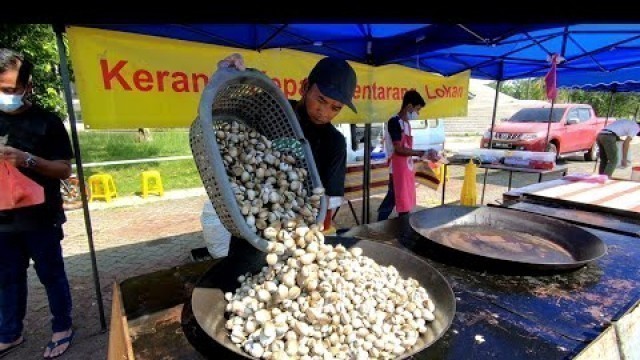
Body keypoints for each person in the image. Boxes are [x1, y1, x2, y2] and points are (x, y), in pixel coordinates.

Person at [219, 54, 357, 233]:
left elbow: (326, 209)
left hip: (297, 229)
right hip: (249, 220)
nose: (324, 112)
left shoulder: (334, 142)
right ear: (305, 86)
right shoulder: (271, 109)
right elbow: (226, 113)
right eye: (320, 100)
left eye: (335, 108)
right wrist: (227, 78)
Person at [0, 48, 75, 358]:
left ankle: (62, 327)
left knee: (51, 273)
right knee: (6, 279)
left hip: (40, 218)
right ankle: (10, 333)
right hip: (3, 220)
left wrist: (28, 160)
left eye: (8, 90)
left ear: (26, 88)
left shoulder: (47, 122)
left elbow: (64, 170)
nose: (3, 95)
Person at [377, 90, 439, 221]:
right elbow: (399, 149)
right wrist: (420, 153)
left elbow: (407, 149)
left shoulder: (407, 124)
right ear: (409, 106)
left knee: (403, 198)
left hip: (406, 169)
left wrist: (425, 153)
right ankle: (379, 224)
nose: (418, 113)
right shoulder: (394, 121)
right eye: (417, 109)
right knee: (394, 197)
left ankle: (402, 224)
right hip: (396, 169)